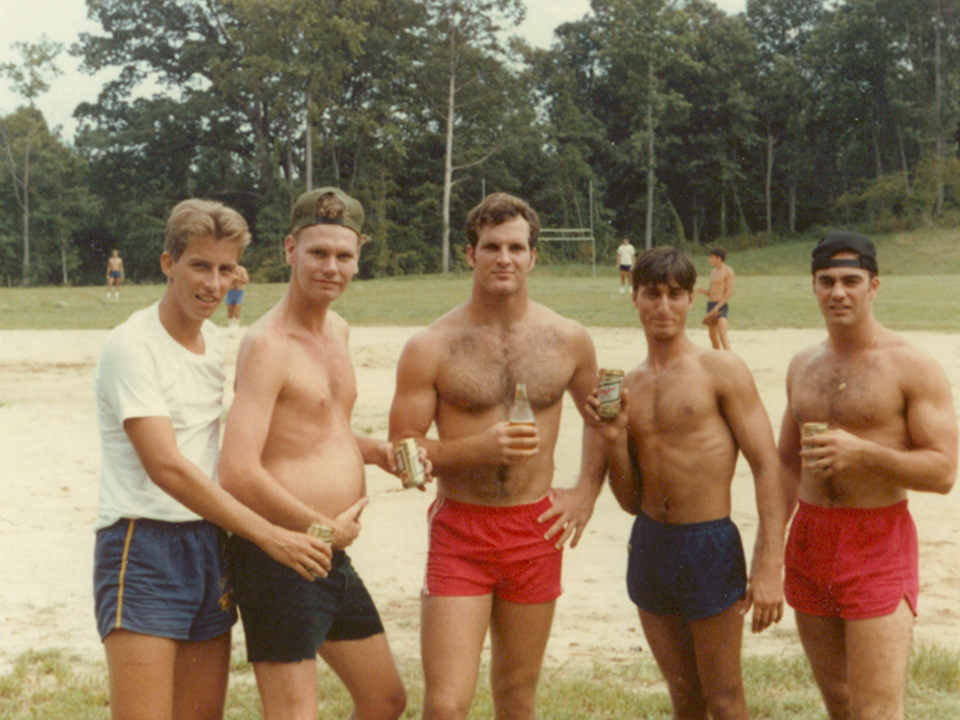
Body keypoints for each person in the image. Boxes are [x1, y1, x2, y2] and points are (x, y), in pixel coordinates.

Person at [93, 199, 332, 720]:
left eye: (226, 269)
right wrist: (269, 534)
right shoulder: (132, 346)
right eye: (200, 266)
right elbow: (167, 466)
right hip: (142, 542)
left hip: (207, 541)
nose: (214, 283)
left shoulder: (216, 343)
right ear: (168, 263)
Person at [388, 192, 607, 720]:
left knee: (516, 695)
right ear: (470, 254)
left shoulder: (570, 339)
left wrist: (585, 491)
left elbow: (604, 419)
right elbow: (403, 452)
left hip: (536, 528)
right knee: (446, 704)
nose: (503, 258)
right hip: (462, 530)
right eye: (491, 247)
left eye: (515, 247)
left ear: (533, 256)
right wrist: (476, 450)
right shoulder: (432, 345)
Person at [218, 187, 407, 720]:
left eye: (343, 255)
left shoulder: (338, 331)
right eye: (317, 253)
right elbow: (236, 471)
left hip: (329, 553)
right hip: (280, 553)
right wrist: (322, 529)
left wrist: (377, 452)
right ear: (290, 250)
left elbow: (322, 431)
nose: (331, 267)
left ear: (358, 257)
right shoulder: (268, 345)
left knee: (384, 699)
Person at [599, 246, 786, 720]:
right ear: (635, 298)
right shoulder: (629, 386)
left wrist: (769, 563)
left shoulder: (720, 369)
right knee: (684, 698)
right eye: (652, 294)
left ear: (689, 299)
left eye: (675, 294)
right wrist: (615, 440)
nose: (663, 306)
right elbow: (630, 501)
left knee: (723, 698)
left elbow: (768, 465)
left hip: (708, 543)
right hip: (650, 543)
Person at [778, 231, 957, 720]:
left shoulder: (911, 366)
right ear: (814, 287)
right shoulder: (803, 365)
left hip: (877, 538)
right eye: (827, 281)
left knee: (874, 710)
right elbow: (786, 463)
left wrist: (866, 455)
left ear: (873, 286)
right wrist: (769, 549)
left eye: (851, 281)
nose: (838, 292)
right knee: (839, 701)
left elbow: (944, 471)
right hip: (810, 537)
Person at [695, 246, 735, 350]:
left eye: (712, 257)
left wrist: (717, 307)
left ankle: (729, 358)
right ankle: (718, 357)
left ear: (719, 258)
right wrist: (703, 291)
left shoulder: (728, 271)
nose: (709, 259)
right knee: (712, 336)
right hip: (711, 305)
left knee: (722, 334)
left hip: (721, 305)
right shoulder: (713, 272)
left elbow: (729, 291)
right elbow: (711, 292)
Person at [225, 264, 250, 336]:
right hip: (230, 291)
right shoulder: (229, 269)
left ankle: (235, 330)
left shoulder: (242, 269)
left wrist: (237, 278)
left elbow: (247, 282)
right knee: (230, 312)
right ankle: (231, 329)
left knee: (237, 311)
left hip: (239, 292)